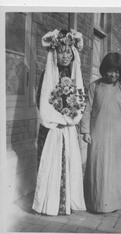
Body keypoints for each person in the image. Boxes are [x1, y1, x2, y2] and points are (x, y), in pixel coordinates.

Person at [32, 29, 86, 216]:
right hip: (51, 127)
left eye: (68, 52)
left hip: (68, 126)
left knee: (68, 161)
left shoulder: (75, 76)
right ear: (55, 53)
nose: (64, 56)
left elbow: (80, 99)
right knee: (50, 162)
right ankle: (48, 202)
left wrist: (69, 118)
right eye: (61, 51)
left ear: (73, 54)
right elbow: (41, 98)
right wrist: (54, 118)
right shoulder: (47, 74)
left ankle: (66, 202)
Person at [80, 52, 121, 213]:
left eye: (117, 71)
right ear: (104, 70)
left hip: (117, 136)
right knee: (96, 166)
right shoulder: (94, 86)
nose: (113, 74)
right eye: (110, 70)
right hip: (97, 134)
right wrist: (85, 130)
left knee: (114, 169)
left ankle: (113, 203)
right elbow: (87, 109)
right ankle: (94, 202)